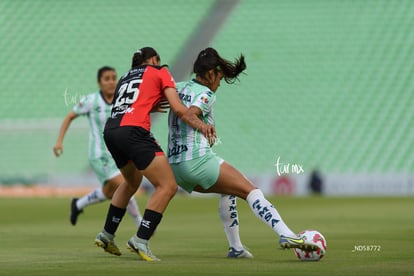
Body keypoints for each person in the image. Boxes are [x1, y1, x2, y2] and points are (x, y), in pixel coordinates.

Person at [167, 47, 318, 257]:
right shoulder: (207, 94)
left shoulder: (179, 88)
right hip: (197, 161)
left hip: (175, 166)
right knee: (252, 191)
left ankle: (236, 248)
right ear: (211, 73)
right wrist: (202, 126)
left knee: (230, 190)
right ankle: (287, 234)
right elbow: (190, 114)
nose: (219, 83)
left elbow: (170, 107)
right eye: (219, 77)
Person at [94, 47, 215, 261]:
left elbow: (126, 105)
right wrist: (201, 126)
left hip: (111, 131)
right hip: (133, 132)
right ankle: (141, 239)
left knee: (131, 181)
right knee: (167, 186)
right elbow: (178, 108)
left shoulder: (124, 77)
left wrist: (150, 103)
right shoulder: (160, 71)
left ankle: (106, 234)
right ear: (154, 59)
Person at [53, 66, 142, 228]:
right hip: (99, 155)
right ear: (99, 82)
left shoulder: (121, 100)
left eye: (113, 78)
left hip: (117, 155)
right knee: (126, 185)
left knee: (109, 192)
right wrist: (59, 141)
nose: (111, 82)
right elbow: (69, 117)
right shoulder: (91, 101)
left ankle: (78, 204)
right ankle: (141, 224)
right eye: (106, 78)